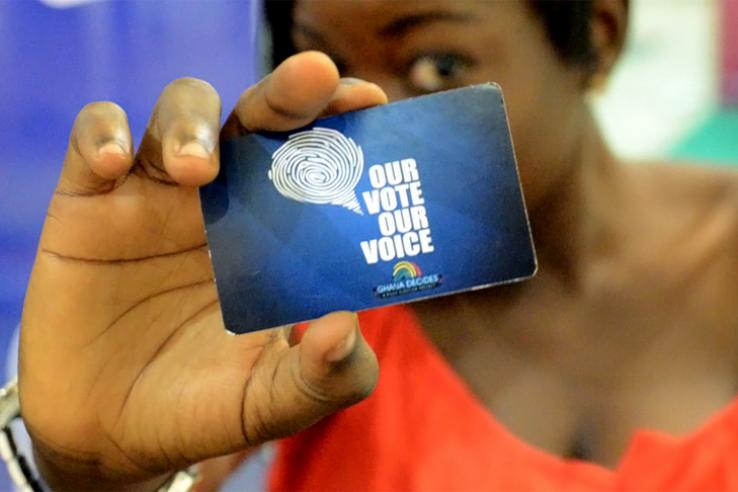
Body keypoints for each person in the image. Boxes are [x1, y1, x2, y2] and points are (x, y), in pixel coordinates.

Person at [14, 0, 738, 490]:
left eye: (438, 65)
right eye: (324, 61)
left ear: (598, 36)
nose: (369, 113)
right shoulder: (290, 304)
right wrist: (86, 470)